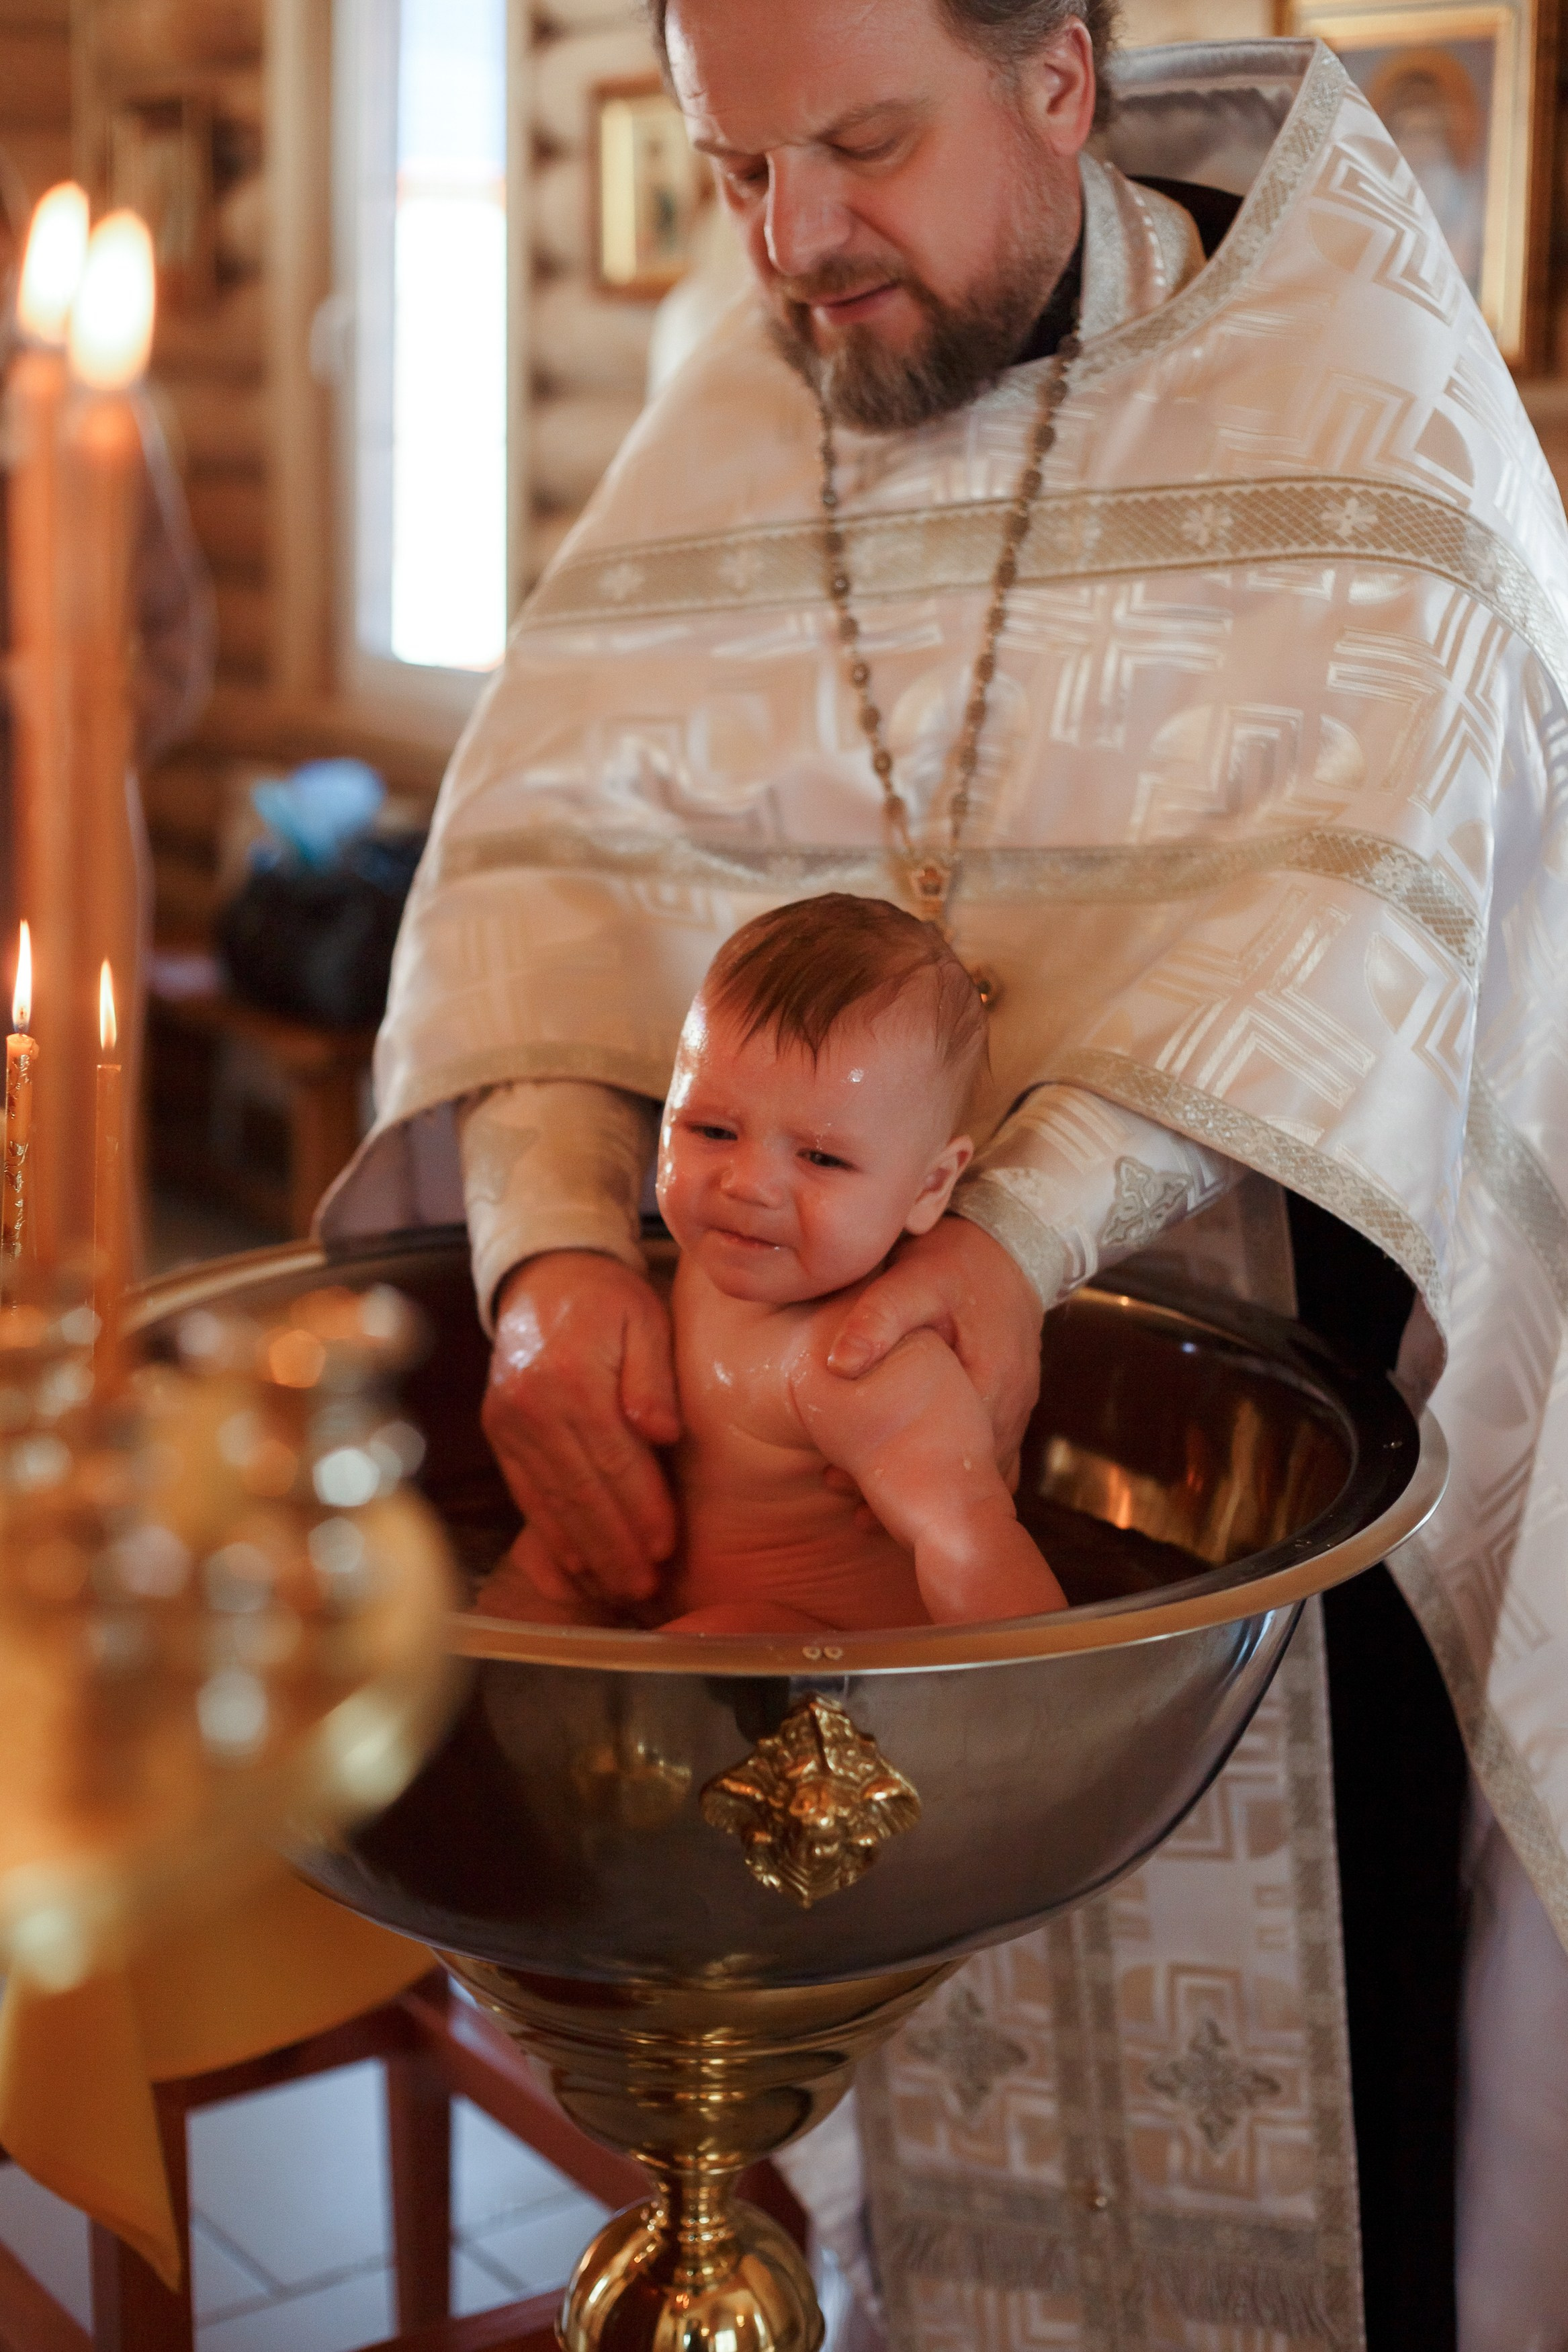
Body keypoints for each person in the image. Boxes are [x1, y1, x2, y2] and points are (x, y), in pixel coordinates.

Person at [324, 7, 1568, 2345]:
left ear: (1065, 80)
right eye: (730, 170)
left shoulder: (1364, 393)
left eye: (862, 147)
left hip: (1268, 1501)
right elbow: (546, 885)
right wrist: (546, 1255)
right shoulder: (736, 406)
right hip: (812, 1557)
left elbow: (1365, 917)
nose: (789, 247)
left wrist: (1006, 1238)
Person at [476, 894, 1067, 1634]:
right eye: (713, 1129)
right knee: (546, 1554)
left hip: (819, 1651)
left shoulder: (862, 1361)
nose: (748, 1183)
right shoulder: (697, 1275)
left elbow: (970, 1542)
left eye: (821, 1156)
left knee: (719, 1638)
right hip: (670, 1589)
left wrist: (1049, 1713)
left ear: (929, 1186)